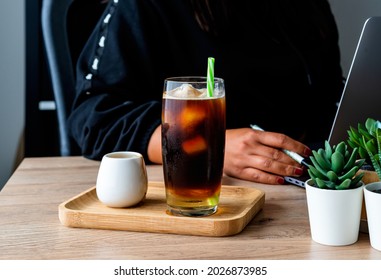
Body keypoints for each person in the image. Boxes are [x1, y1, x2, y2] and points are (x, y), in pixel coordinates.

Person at [67, 0, 344, 185]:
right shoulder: (143, 7)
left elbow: (329, 97)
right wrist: (209, 147)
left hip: (308, 185)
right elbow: (95, 119)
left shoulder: (308, 7)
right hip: (207, 188)